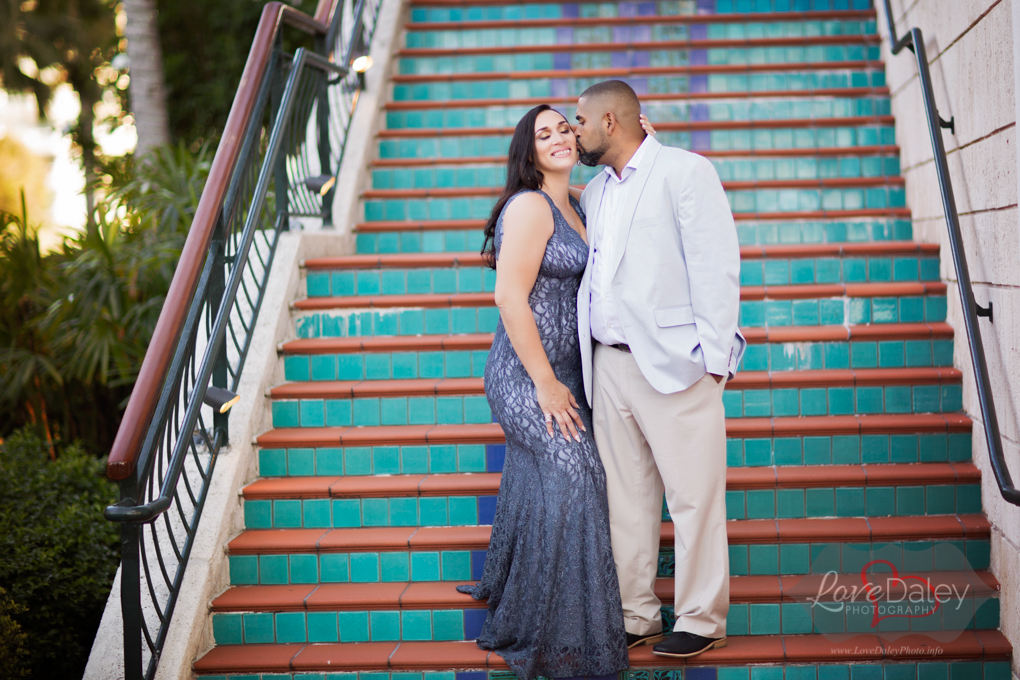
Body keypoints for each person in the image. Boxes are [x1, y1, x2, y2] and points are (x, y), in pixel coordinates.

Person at [572, 80, 746, 659]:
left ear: (610, 122)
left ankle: (701, 617)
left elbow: (715, 267)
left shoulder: (684, 171)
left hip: (677, 367)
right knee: (627, 500)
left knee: (693, 497)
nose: (574, 132)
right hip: (609, 364)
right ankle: (637, 614)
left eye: (579, 122)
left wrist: (714, 363)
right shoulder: (594, 194)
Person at [456, 104, 629, 680]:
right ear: (528, 151)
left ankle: (519, 597)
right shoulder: (529, 205)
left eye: (564, 128)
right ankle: (556, 631)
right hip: (527, 376)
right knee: (579, 476)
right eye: (543, 133)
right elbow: (509, 297)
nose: (557, 138)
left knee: (546, 478)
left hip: (568, 374)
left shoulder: (579, 204)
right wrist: (547, 383)